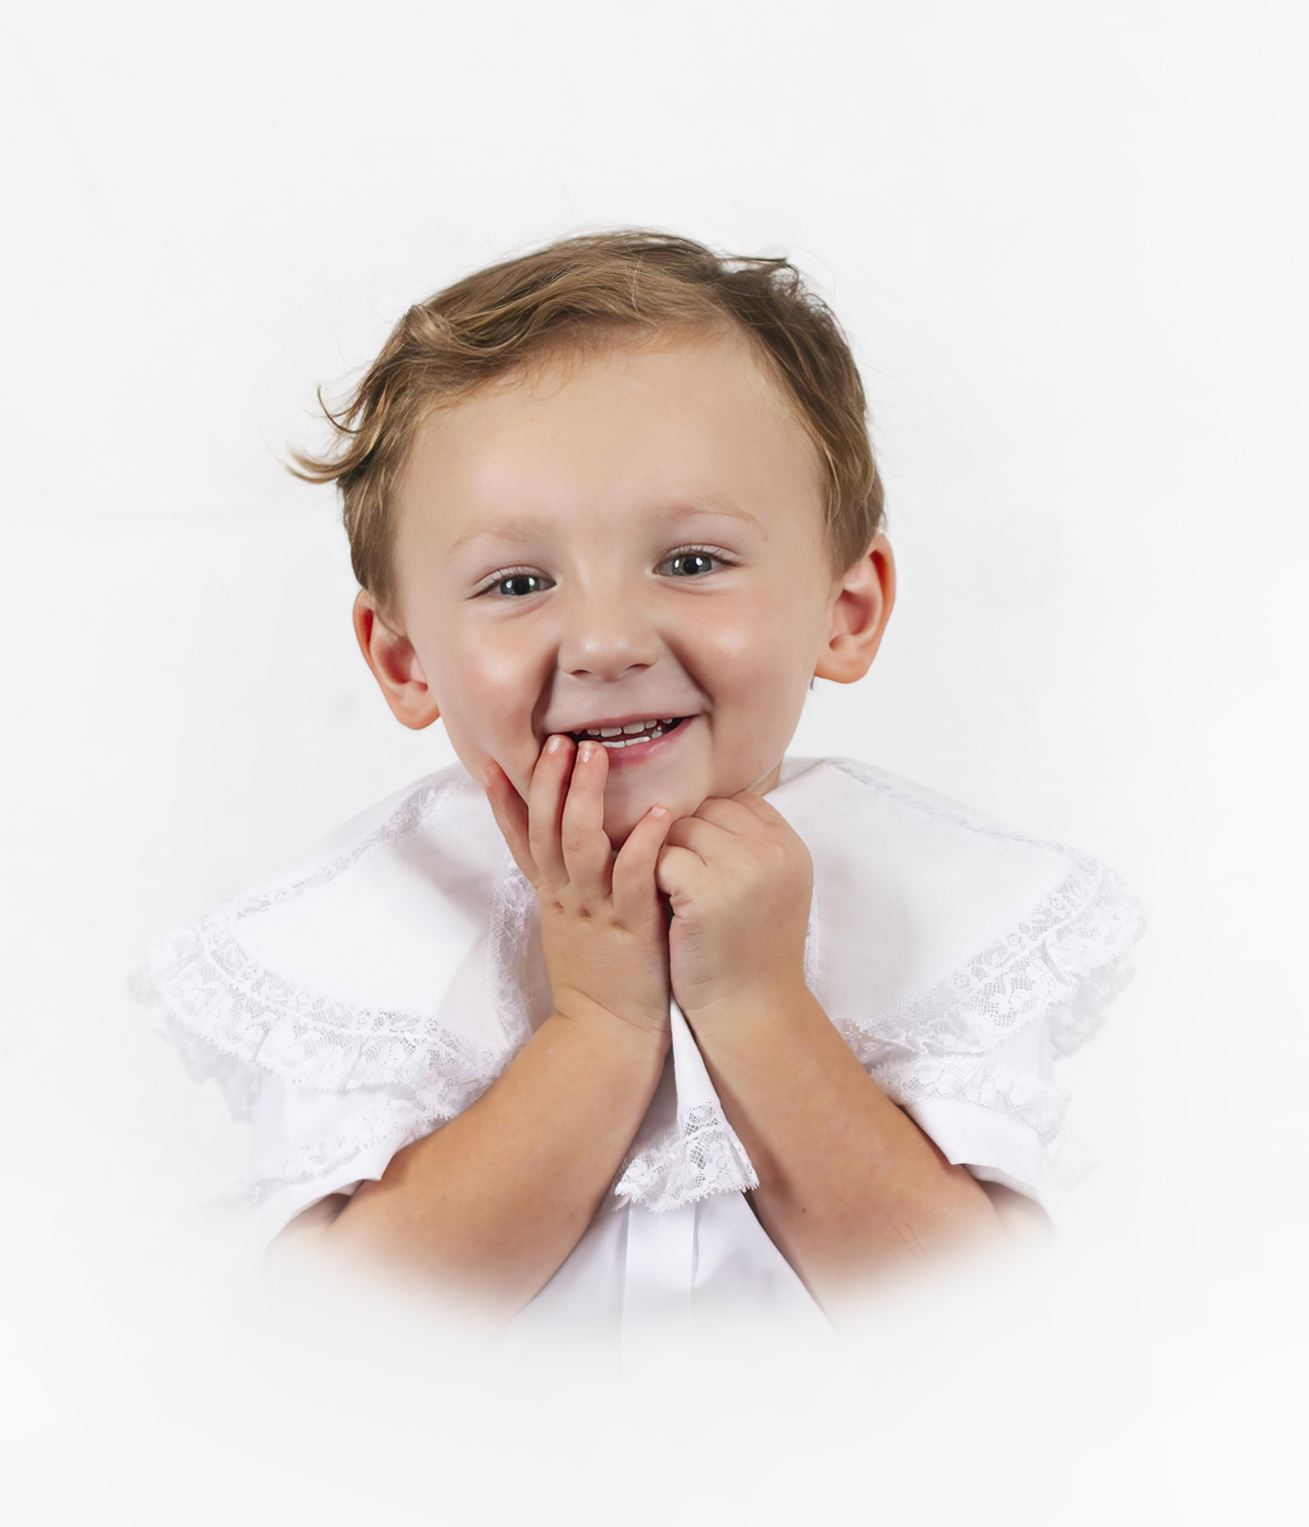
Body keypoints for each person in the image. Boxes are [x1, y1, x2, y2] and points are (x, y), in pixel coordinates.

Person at [133, 230, 1144, 1348]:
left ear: (846, 609)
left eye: (693, 561)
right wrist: (601, 1025)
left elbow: (976, 1327)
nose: (607, 640)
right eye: (517, 582)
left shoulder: (935, 901)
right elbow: (351, 1334)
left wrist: (760, 1006)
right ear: (404, 660)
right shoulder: (373, 926)